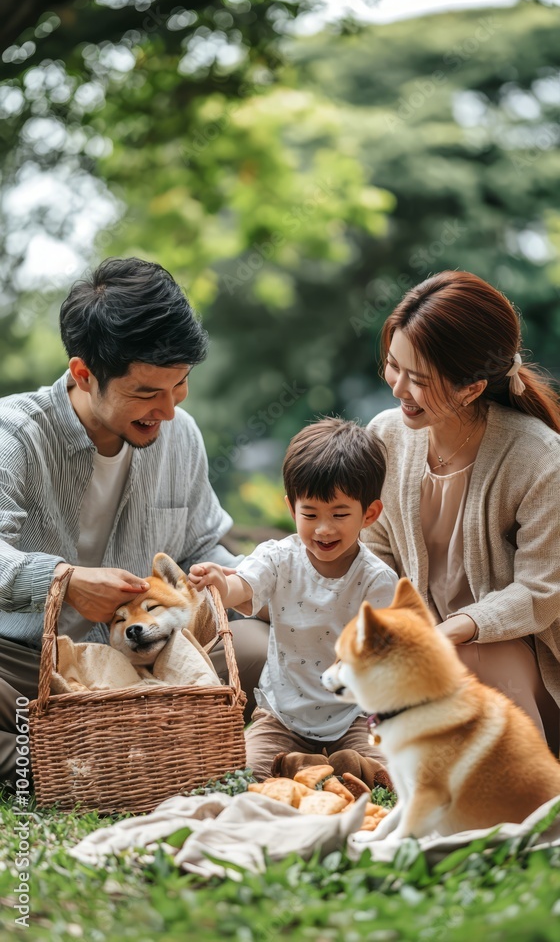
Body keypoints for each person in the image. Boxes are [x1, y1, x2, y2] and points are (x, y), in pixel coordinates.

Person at [0, 257, 269, 783]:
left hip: (154, 662)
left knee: (258, 647)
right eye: (146, 393)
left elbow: (202, 549)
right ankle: (81, 762)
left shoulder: (180, 434)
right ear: (84, 374)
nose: (167, 411)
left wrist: (257, 579)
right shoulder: (14, 434)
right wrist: (65, 582)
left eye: (180, 385)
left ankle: (76, 754)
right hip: (32, 665)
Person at [363, 269, 560, 756]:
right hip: (421, 652)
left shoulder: (539, 459)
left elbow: (541, 592)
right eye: (392, 366)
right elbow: (373, 554)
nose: (397, 388)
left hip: (521, 662)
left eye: (418, 380)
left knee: (479, 653)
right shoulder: (386, 437)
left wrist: (453, 630)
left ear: (471, 388)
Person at [188, 417, 398, 782]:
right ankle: (314, 764)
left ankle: (322, 763)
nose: (323, 528)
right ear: (292, 509)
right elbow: (243, 589)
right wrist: (221, 583)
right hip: (281, 716)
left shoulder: (377, 580)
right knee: (245, 771)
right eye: (310, 514)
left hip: (352, 717)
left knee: (389, 772)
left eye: (340, 514)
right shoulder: (278, 557)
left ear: (369, 514)